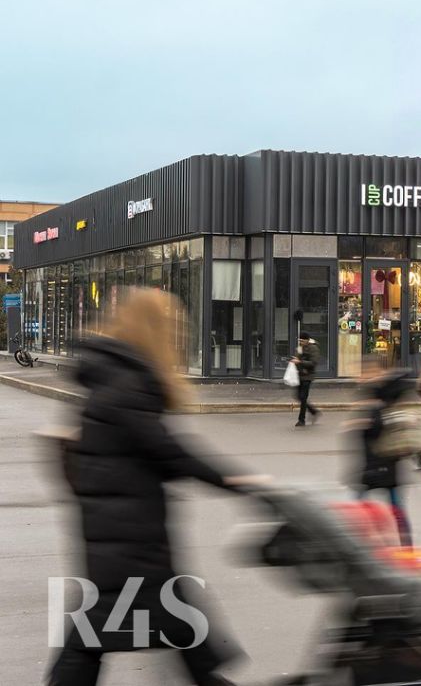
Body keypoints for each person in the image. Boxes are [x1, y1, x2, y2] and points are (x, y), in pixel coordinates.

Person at [49, 288, 266, 686]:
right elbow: (169, 452)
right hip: (130, 538)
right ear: (153, 328)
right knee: (121, 632)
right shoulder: (126, 385)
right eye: (173, 326)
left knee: (126, 630)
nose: (179, 334)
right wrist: (235, 480)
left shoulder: (113, 378)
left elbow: (147, 453)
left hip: (120, 532)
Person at [350, 369, 416, 545]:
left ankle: (354, 546)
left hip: (373, 470)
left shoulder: (376, 415)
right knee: (397, 511)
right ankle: (407, 545)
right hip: (390, 472)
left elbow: (368, 440)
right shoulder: (394, 414)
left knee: (357, 510)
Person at [292, 331, 320, 427]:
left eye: (302, 341)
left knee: (303, 397)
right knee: (298, 396)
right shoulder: (300, 347)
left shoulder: (313, 348)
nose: (301, 342)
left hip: (308, 376)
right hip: (299, 375)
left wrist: (300, 362)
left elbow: (314, 362)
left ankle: (301, 420)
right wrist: (295, 359)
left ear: (307, 340)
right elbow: (297, 357)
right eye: (299, 340)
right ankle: (313, 411)